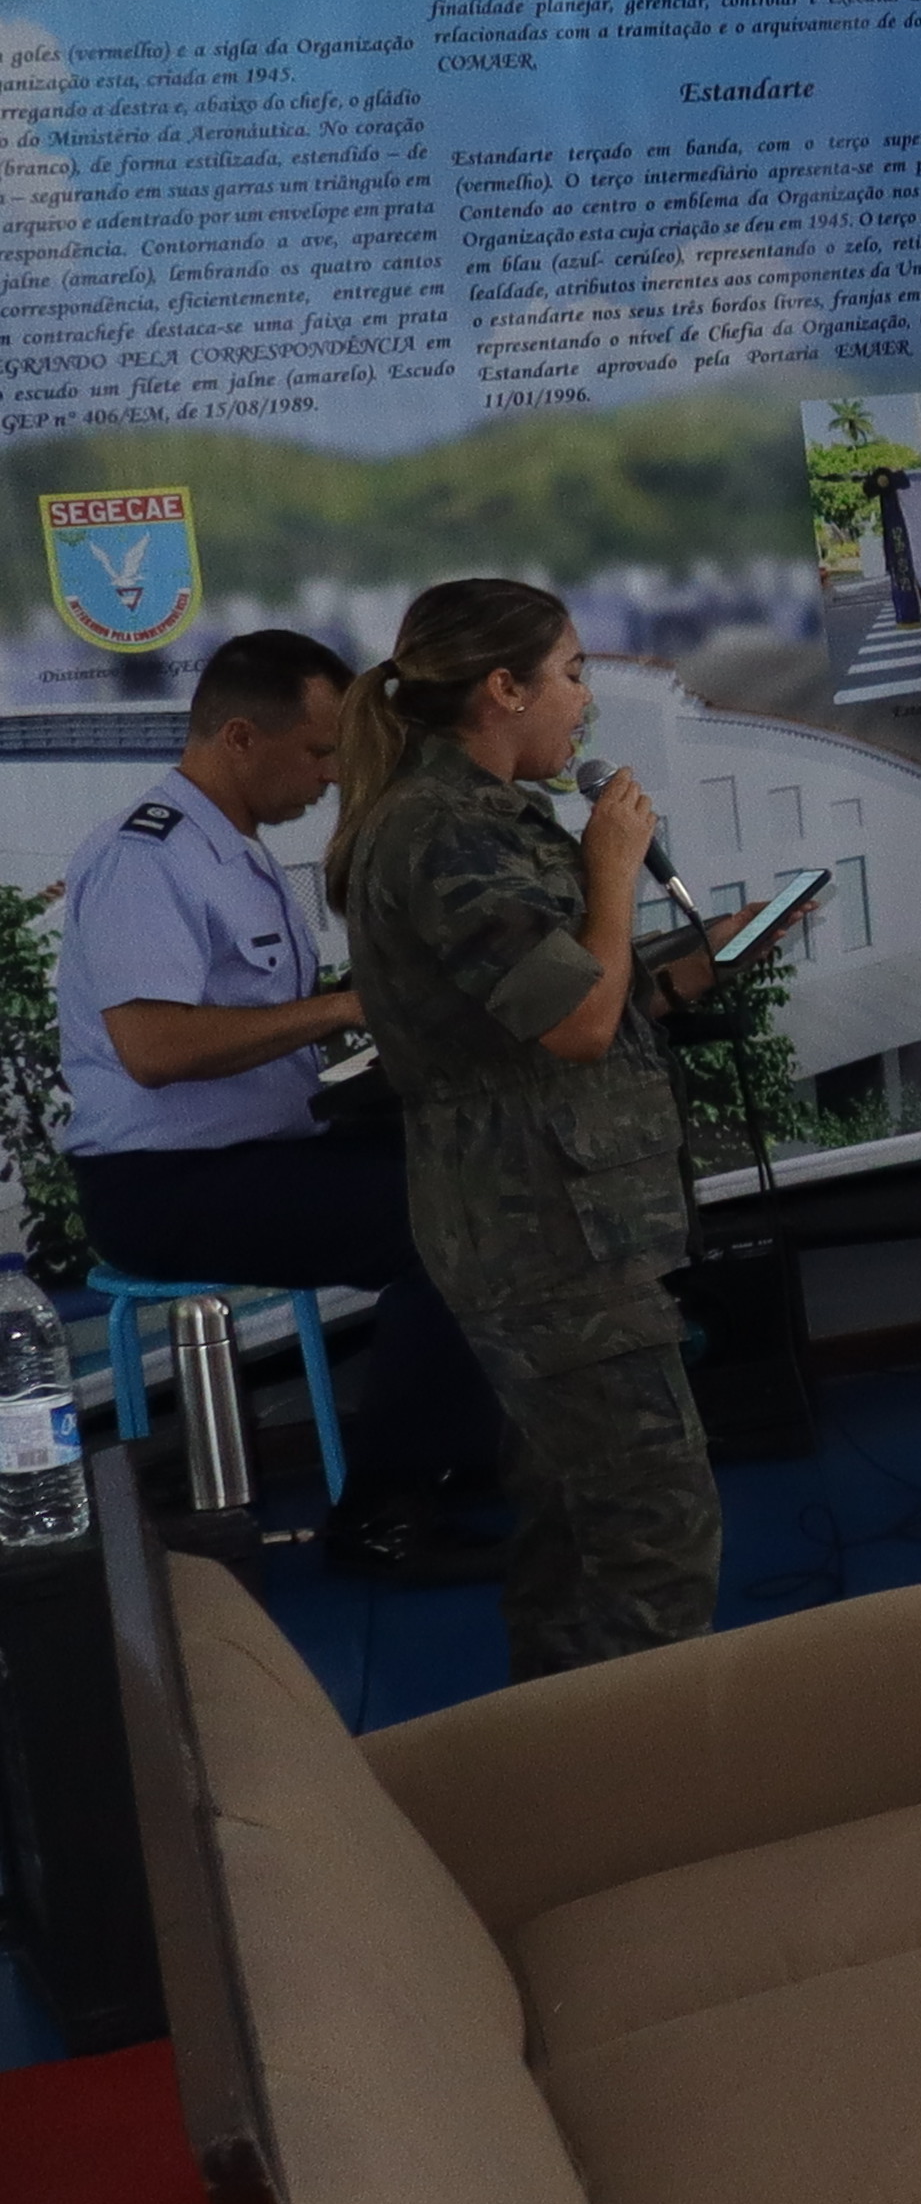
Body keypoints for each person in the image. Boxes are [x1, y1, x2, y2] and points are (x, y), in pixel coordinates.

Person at [322, 580, 780, 1676]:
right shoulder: (447, 831)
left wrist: (692, 962)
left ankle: (565, 1753)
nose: (585, 701)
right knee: (654, 1533)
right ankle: (646, 1769)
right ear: (503, 689)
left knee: (574, 1531)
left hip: (555, 1220)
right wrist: (611, 871)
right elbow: (575, 1024)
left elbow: (565, 1006)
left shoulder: (477, 818)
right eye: (571, 674)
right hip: (543, 1231)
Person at [51, 626, 506, 1573]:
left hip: (256, 1153)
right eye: (318, 751)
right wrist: (340, 1007)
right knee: (445, 1221)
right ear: (239, 739)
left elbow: (259, 1025)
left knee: (486, 1169)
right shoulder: (148, 858)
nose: (333, 776)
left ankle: (464, 1466)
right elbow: (154, 1050)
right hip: (163, 1186)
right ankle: (383, 1517)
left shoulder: (235, 849)